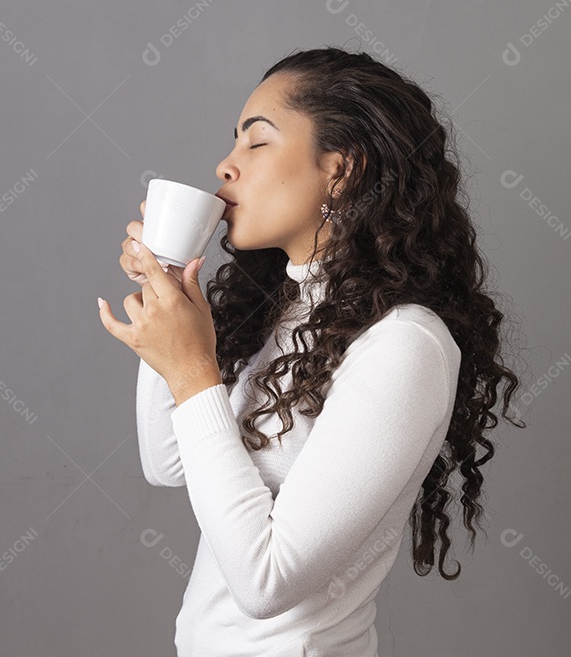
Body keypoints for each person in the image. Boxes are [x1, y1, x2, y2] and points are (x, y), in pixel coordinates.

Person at [99, 46, 525, 657]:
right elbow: (167, 463)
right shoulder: (283, 312)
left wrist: (193, 369)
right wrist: (166, 289)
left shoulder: (404, 344)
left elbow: (267, 582)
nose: (225, 165)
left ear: (342, 170)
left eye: (257, 142)